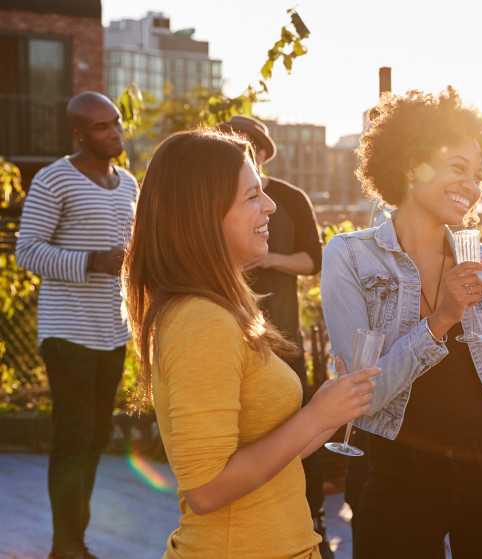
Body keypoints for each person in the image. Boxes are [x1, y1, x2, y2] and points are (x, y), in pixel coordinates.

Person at [123, 129, 379, 559]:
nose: (271, 205)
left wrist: (332, 411)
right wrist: (317, 413)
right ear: (203, 215)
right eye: (252, 196)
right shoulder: (199, 320)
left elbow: (277, 453)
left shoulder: (221, 311)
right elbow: (206, 489)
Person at [321, 88, 482, 559]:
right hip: (395, 475)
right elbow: (364, 396)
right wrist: (441, 319)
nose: (473, 186)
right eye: (458, 168)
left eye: (479, 175)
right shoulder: (350, 256)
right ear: (413, 164)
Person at [16, 91, 138, 559]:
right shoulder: (54, 180)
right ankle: (66, 545)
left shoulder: (128, 184)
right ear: (79, 134)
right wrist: (93, 260)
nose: (114, 132)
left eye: (116, 122)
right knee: (73, 436)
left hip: (113, 329)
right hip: (66, 329)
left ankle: (74, 540)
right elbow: (29, 251)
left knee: (96, 436)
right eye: (102, 127)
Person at [219, 115, 333, 557]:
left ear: (264, 153)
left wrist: (269, 260)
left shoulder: (290, 198)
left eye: (248, 146)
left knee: (300, 421)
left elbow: (313, 260)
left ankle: (313, 514)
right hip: (231, 330)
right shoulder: (213, 200)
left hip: (281, 332)